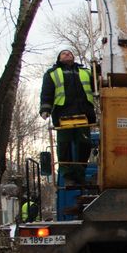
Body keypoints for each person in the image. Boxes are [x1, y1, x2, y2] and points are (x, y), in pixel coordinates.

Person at [40, 49, 96, 186]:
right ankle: (68, 176)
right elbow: (47, 93)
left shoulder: (86, 72)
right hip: (63, 115)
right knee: (64, 146)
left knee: (84, 145)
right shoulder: (52, 73)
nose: (67, 54)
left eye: (69, 53)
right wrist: (45, 109)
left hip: (84, 114)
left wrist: (97, 68)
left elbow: (97, 86)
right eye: (64, 53)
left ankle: (80, 174)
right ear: (59, 58)